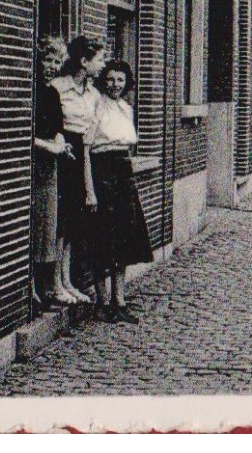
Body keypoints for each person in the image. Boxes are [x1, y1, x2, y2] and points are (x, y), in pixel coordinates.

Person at [89, 60, 154, 323]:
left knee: (124, 238)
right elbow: (88, 144)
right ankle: (102, 301)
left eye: (120, 80)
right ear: (104, 80)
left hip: (123, 171)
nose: (115, 85)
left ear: (127, 83)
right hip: (102, 170)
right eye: (111, 79)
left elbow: (128, 143)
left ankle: (120, 300)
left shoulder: (126, 109)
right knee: (102, 237)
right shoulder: (97, 104)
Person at [50, 36, 106, 304]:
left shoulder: (93, 94)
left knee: (72, 222)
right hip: (62, 154)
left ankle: (67, 280)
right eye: (99, 59)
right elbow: (52, 122)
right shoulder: (58, 88)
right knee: (58, 221)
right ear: (84, 62)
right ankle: (54, 282)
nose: (102, 64)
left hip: (82, 154)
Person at [31, 36, 70, 308]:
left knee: (48, 227)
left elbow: (58, 126)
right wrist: (48, 146)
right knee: (34, 224)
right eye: (48, 59)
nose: (53, 66)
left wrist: (58, 143)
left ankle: (47, 288)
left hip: (49, 166)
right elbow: (26, 134)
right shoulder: (31, 91)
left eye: (57, 61)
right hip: (33, 164)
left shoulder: (52, 93)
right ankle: (32, 287)